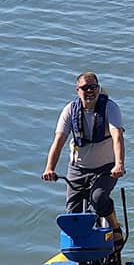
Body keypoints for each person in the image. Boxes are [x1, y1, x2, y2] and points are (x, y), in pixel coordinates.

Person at [42, 72, 126, 253]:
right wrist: (50, 168)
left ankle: (114, 226)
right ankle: (81, 264)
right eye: (85, 88)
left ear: (98, 88)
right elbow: (58, 141)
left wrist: (119, 164)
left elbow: (117, 136)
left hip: (106, 168)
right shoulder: (70, 111)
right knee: (72, 216)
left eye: (93, 87)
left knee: (97, 198)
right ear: (77, 90)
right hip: (78, 169)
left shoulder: (109, 108)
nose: (90, 91)